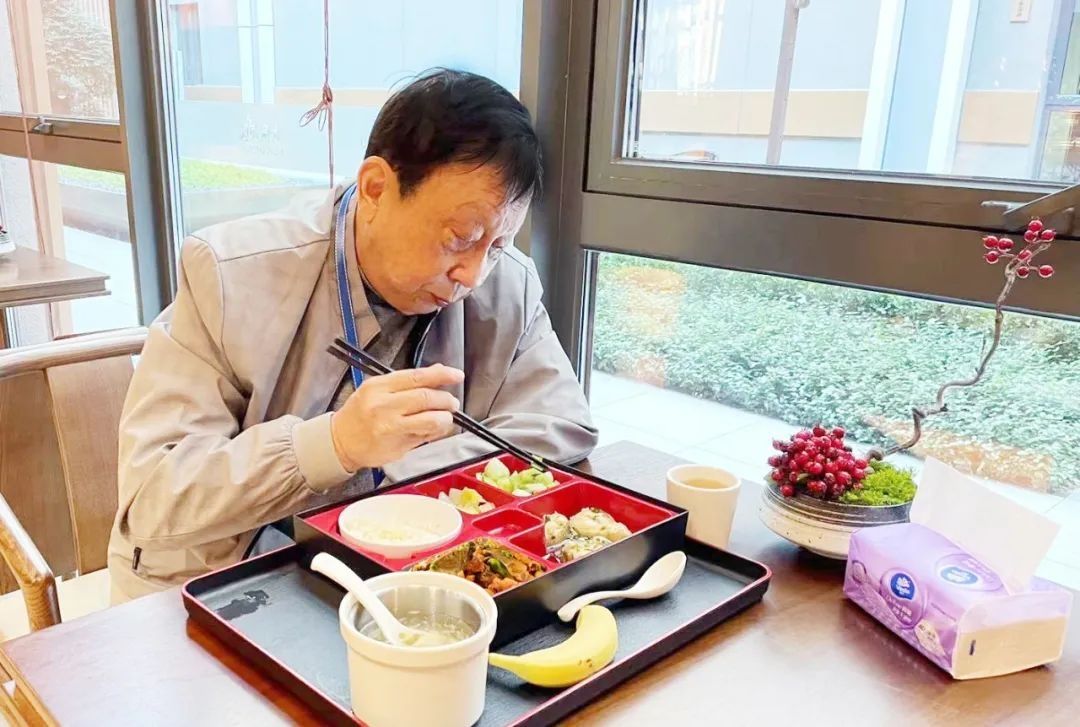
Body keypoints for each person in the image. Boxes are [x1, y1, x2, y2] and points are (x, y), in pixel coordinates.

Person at [108, 69, 598, 602]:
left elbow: (560, 424)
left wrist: (392, 470)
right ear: (376, 188)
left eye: (498, 245)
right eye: (461, 238)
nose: (474, 275)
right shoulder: (232, 274)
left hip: (403, 579)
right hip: (224, 587)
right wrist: (336, 444)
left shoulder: (507, 284)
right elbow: (153, 499)